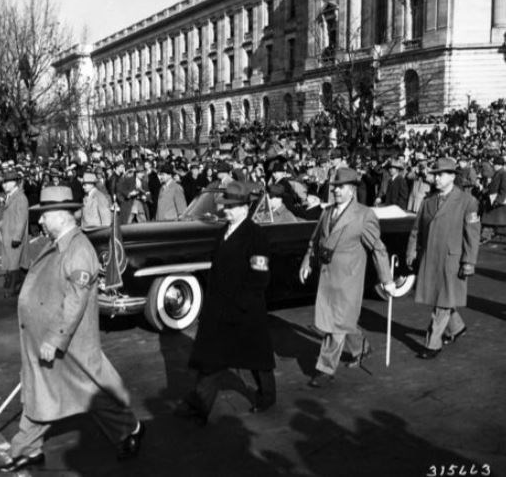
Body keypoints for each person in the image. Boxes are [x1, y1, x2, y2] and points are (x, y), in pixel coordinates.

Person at [0, 186, 144, 473]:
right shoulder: (59, 242)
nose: (40, 220)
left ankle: (130, 430)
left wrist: (55, 339)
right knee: (42, 392)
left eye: (45, 215)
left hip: (70, 345)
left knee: (91, 395)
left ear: (64, 216)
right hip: (47, 340)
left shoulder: (78, 250)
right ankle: (28, 449)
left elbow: (75, 301)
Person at [174, 181, 276, 424]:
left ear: (244, 208)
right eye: (225, 206)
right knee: (211, 359)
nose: (225, 211)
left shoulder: (256, 236)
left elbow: (260, 276)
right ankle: (199, 405)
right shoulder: (224, 231)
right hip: (220, 309)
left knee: (257, 359)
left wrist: (240, 303)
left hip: (245, 310)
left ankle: (268, 397)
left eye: (230, 207)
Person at [299, 168, 396, 387]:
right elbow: (316, 241)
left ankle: (324, 368)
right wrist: (307, 261)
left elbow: (378, 248)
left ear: (353, 190)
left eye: (341, 187)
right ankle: (361, 347)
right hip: (327, 276)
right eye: (334, 187)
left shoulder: (364, 215)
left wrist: (387, 279)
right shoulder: (327, 212)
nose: (336, 191)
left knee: (334, 326)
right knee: (342, 320)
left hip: (349, 280)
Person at [406, 157, 480, 359]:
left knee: (441, 303)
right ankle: (456, 327)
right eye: (435, 174)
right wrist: (411, 252)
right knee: (441, 298)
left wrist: (469, 262)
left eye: (440, 175)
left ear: (452, 177)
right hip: (430, 258)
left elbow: (472, 235)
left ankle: (432, 344)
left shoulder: (467, 201)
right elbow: (416, 230)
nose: (436, 178)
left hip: (452, 261)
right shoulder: (428, 201)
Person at [0, 171, 30, 298]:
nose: (4, 184)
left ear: (15, 182)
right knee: (16, 262)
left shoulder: (20, 197)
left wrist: (17, 237)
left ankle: (14, 287)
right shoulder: (11, 196)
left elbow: (21, 219)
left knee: (15, 263)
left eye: (7, 181)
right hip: (9, 234)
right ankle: (21, 285)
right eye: (4, 182)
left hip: (15, 237)